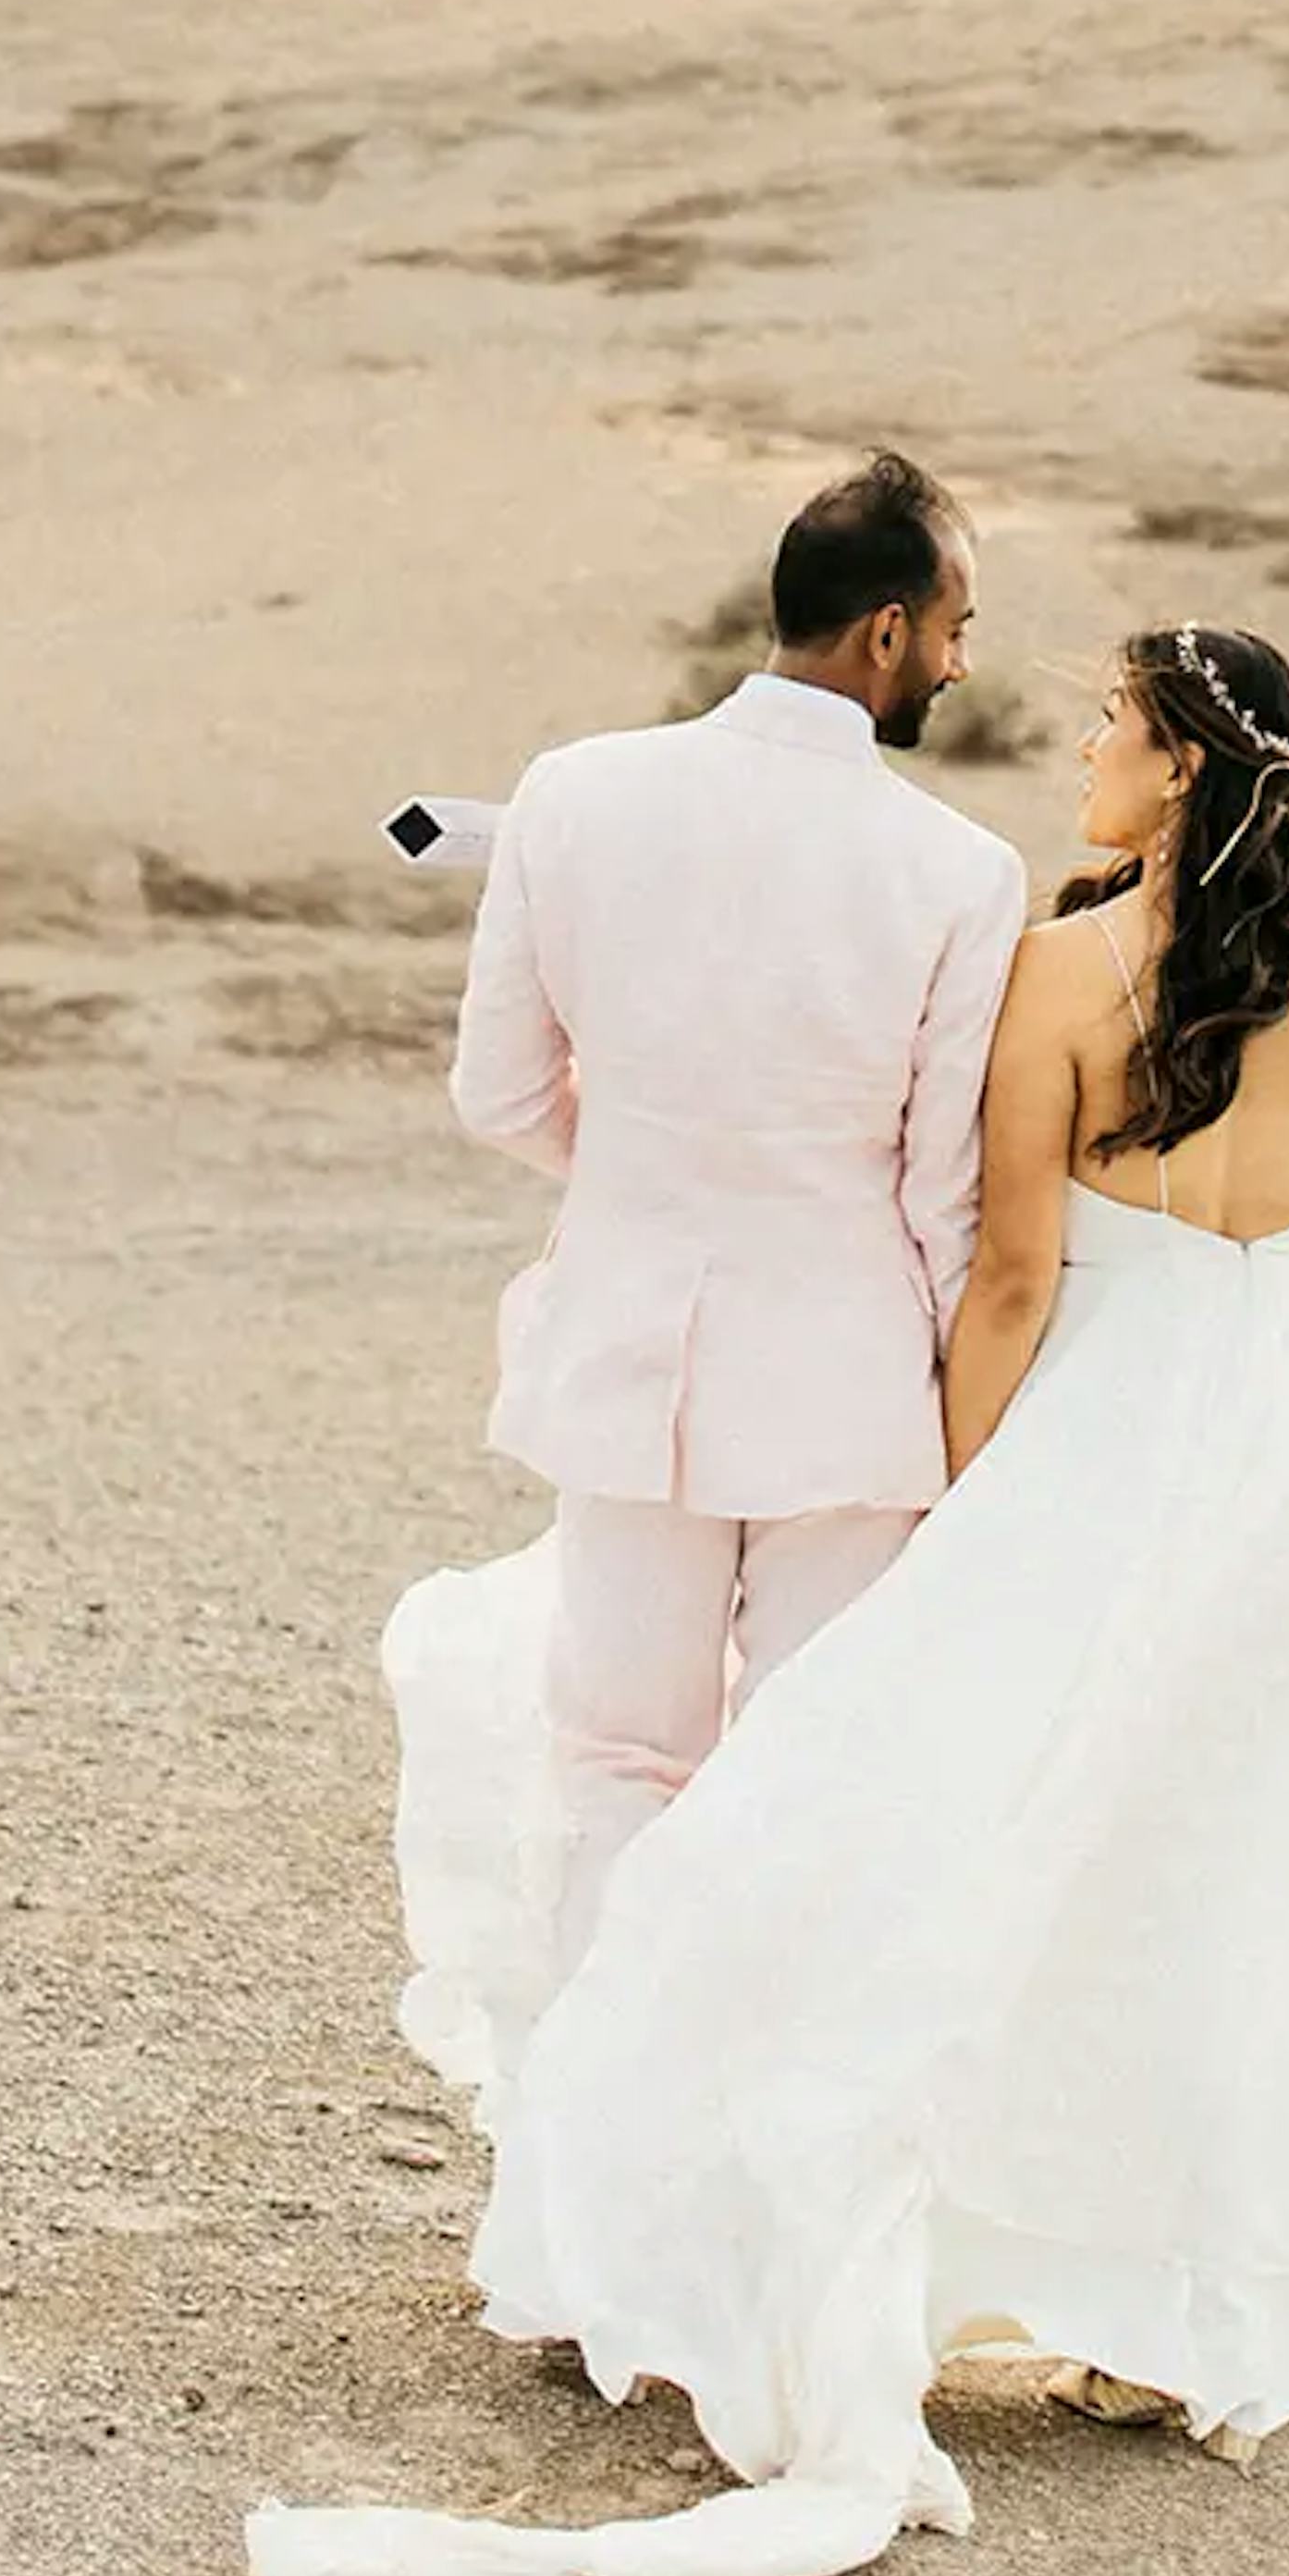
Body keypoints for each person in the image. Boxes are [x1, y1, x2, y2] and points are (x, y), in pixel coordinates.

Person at [249, 618, 1289, 2576]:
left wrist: (967, 1494)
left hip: (1093, 1441)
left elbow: (1015, 1276)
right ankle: (1208, 2304)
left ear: (1177, 771)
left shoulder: (1065, 968)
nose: (1078, 746)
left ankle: (734, 2216)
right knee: (1242, 1858)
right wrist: (1277, 1465)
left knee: (908, 1831)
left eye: (1111, 726)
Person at [443, 451, 1028, 1984]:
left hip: (630, 1347)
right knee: (814, 1760)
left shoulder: (574, 792)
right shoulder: (963, 874)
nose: (963, 662)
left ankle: (590, 2135)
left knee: (617, 1762)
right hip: (850, 1383)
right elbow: (939, 1194)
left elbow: (499, 1095)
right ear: (890, 633)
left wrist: (648, 1181)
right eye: (958, 624)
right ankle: (759, 2133)